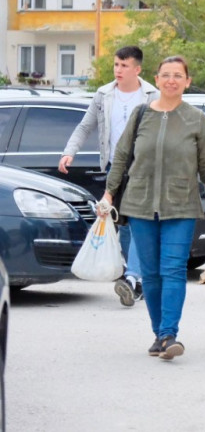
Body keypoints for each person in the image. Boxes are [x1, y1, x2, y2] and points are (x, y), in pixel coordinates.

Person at [101, 56, 205, 360]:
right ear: (157, 79)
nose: (171, 80)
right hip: (139, 205)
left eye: (178, 75)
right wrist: (109, 195)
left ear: (187, 82)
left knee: (173, 269)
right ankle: (158, 334)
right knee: (150, 273)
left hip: (181, 206)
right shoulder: (140, 116)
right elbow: (122, 158)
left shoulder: (196, 120)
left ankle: (169, 334)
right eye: (166, 75)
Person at [60, 45, 157, 307]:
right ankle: (138, 279)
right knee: (123, 224)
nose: (118, 70)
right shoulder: (104, 95)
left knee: (138, 222)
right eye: (116, 65)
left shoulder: (151, 95)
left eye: (124, 66)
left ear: (137, 69)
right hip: (115, 166)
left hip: (144, 169)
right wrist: (70, 152)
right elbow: (85, 125)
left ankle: (133, 277)